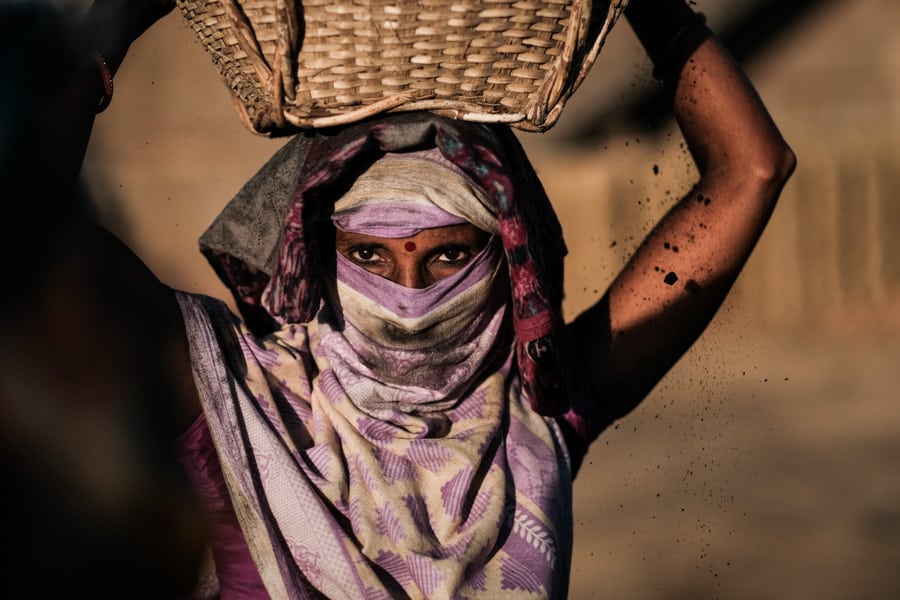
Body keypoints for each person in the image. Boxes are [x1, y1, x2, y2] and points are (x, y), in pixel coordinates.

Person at [2, 0, 795, 597]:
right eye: (368, 257)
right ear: (320, 261)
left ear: (502, 262)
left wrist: (648, 6)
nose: (410, 300)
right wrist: (113, 32)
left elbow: (752, 172)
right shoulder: (227, 393)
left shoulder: (536, 405)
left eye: (449, 255)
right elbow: (20, 221)